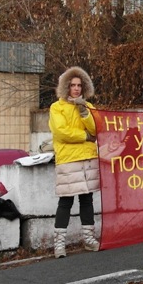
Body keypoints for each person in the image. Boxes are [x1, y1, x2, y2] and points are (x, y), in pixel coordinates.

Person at [49, 66, 101, 258]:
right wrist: (84, 136)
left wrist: (84, 113)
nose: (76, 89)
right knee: (66, 202)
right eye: (72, 85)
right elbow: (61, 132)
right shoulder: (57, 107)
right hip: (68, 160)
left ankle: (88, 239)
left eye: (80, 85)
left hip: (87, 158)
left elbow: (97, 129)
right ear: (66, 87)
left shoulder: (88, 107)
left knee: (87, 200)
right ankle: (59, 244)